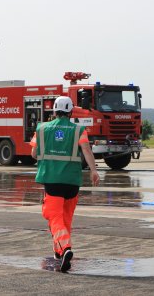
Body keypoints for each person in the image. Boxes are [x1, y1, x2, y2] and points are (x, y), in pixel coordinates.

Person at [30, 96, 100, 272]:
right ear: (70, 112)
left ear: (54, 111)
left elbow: (33, 154)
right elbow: (86, 150)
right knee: (65, 219)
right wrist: (94, 171)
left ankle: (66, 247)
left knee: (53, 217)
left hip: (52, 180)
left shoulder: (42, 128)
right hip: (72, 182)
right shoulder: (79, 130)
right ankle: (59, 252)